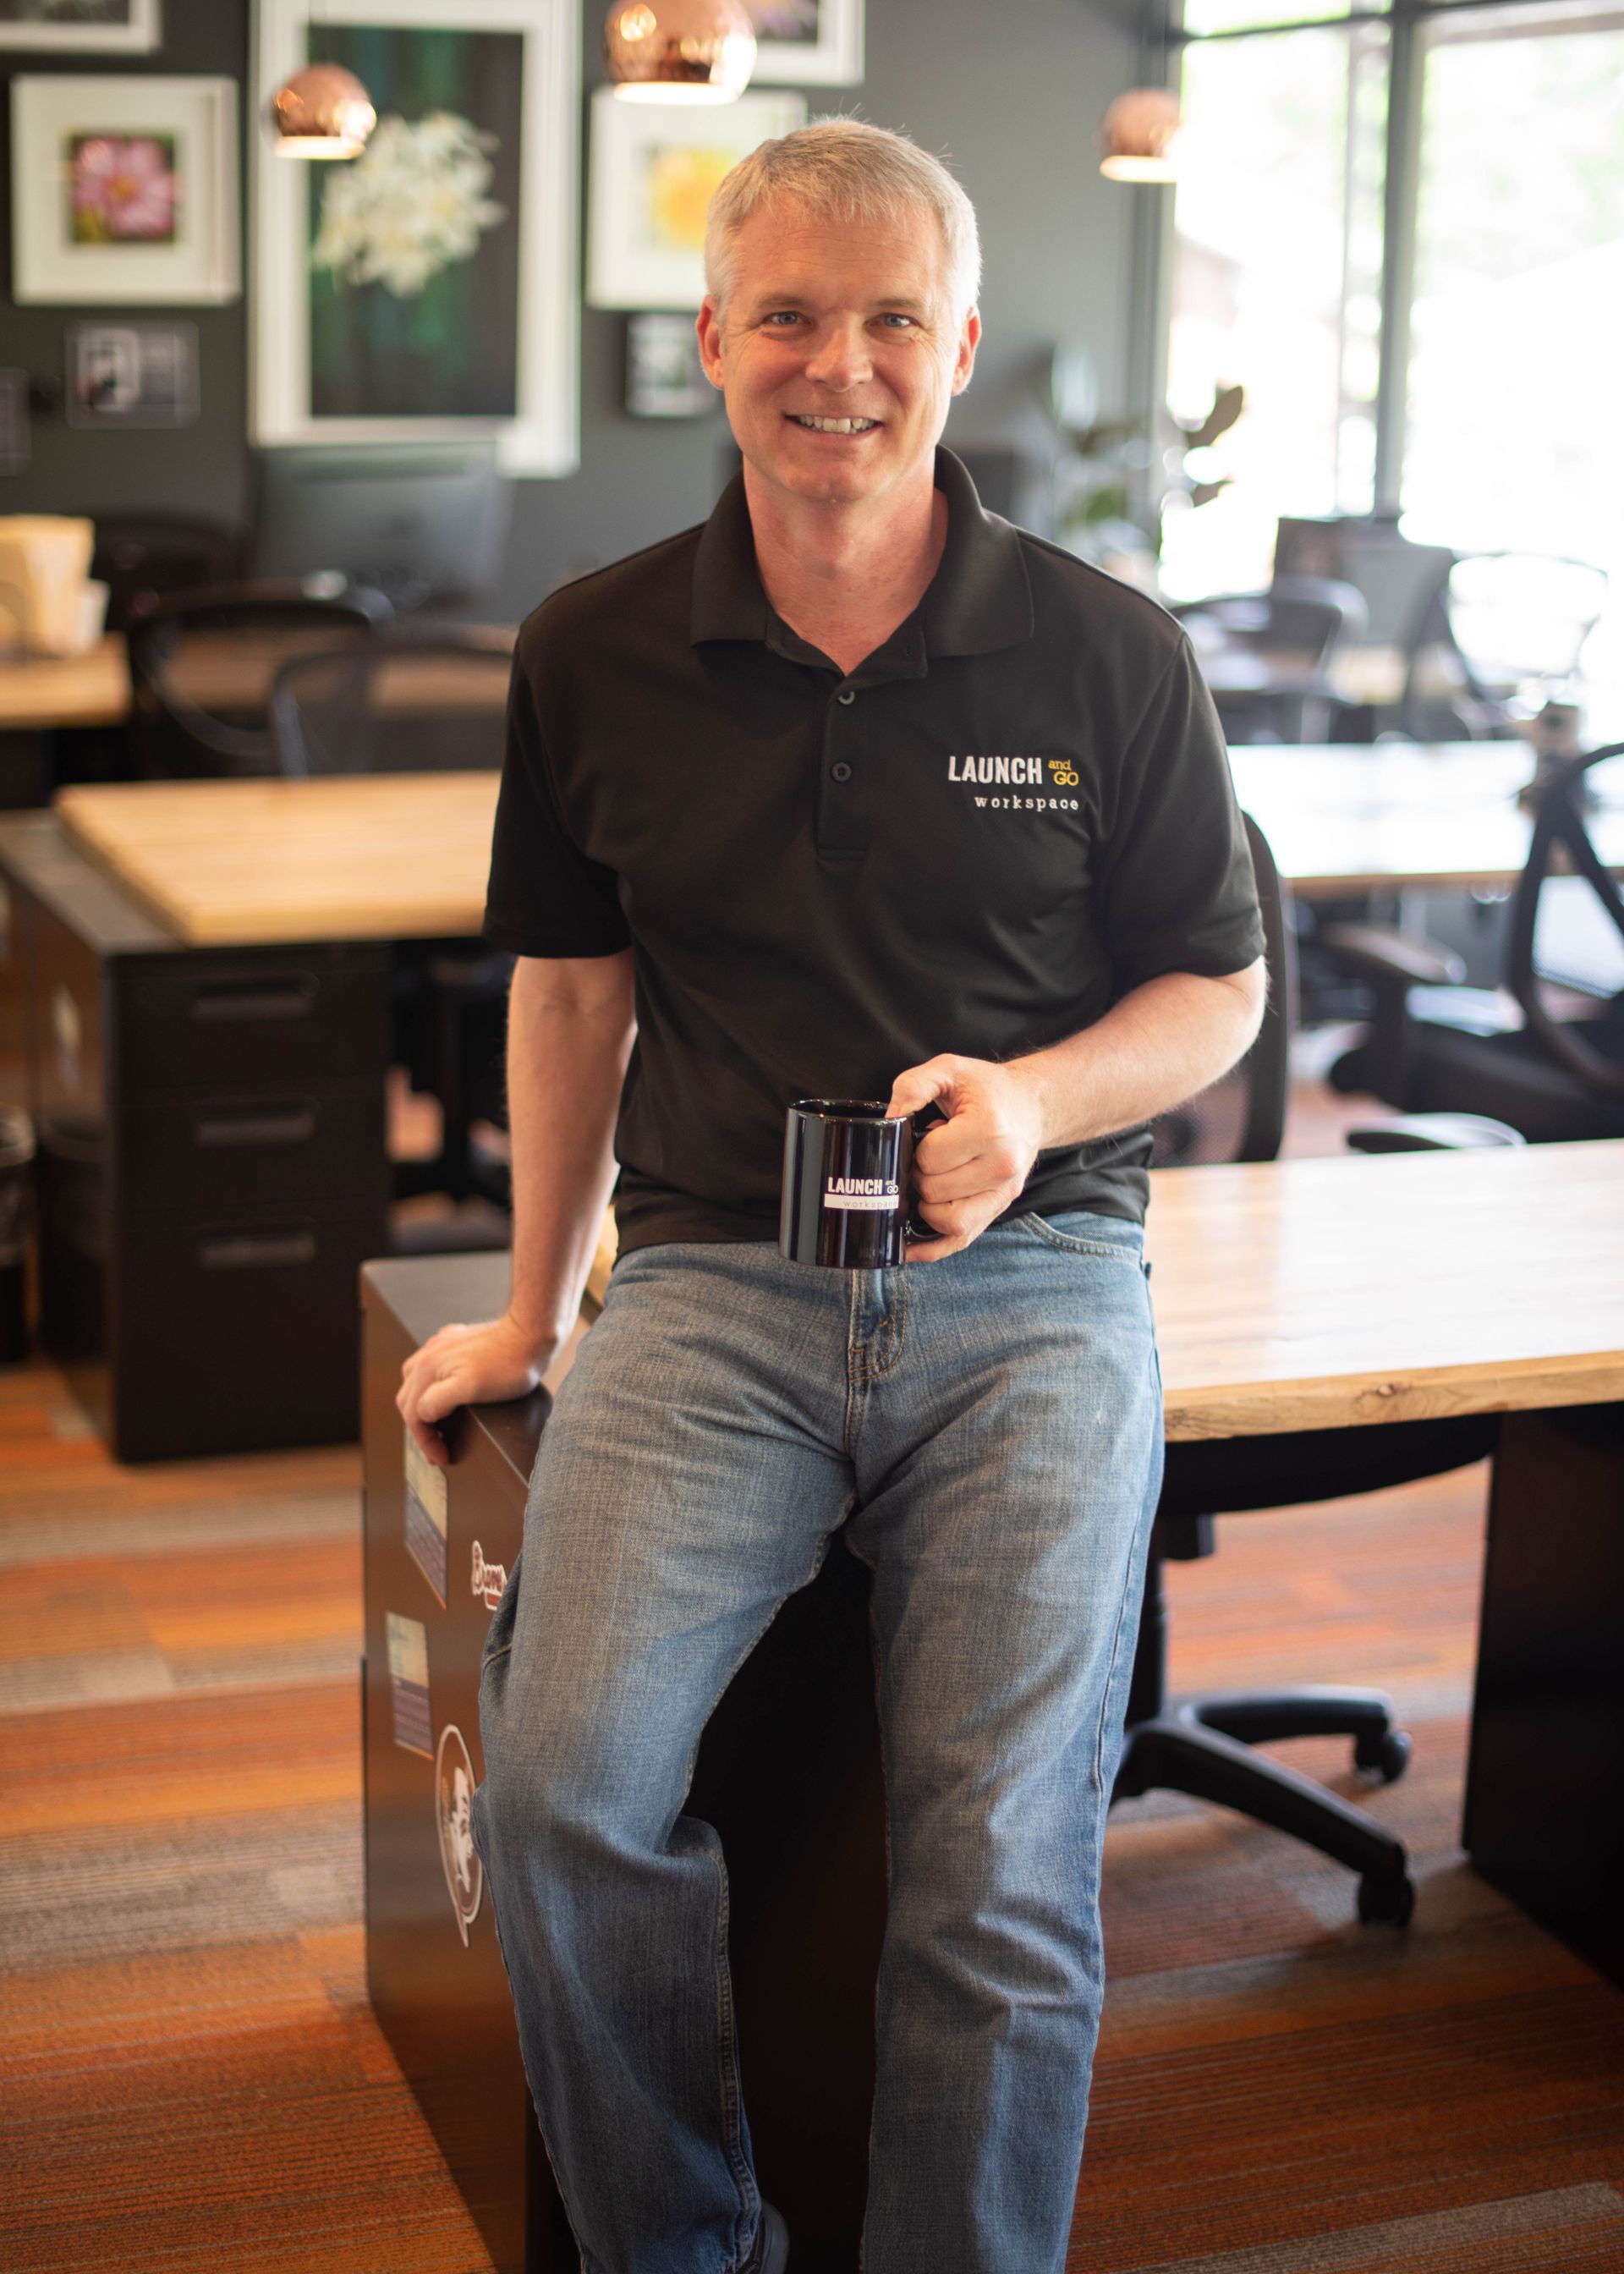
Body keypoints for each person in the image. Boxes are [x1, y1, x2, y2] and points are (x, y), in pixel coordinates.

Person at [398, 120, 1265, 2274]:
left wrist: (1034, 1102)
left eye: (891, 319)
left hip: (1034, 1285)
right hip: (718, 1285)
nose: (839, 365)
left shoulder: (1109, 652)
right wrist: (532, 1310)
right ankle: (685, 2245)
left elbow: (1218, 988)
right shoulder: (590, 648)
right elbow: (573, 990)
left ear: (958, 346)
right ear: (714, 339)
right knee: (559, 1794)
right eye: (788, 314)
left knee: (1001, 1868)